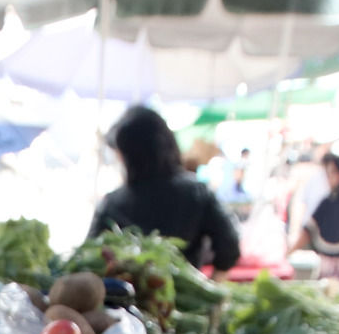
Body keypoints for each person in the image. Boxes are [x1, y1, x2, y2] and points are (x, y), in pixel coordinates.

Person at [89, 106, 241, 270]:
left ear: (128, 156)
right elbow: (230, 244)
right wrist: (210, 287)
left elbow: (90, 254)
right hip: (183, 293)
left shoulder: (113, 203)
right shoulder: (197, 192)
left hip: (128, 294)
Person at [293, 149, 339, 282]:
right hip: (325, 274)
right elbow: (309, 230)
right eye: (327, 173)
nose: (329, 178)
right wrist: (289, 253)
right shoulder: (327, 203)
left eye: (333, 172)